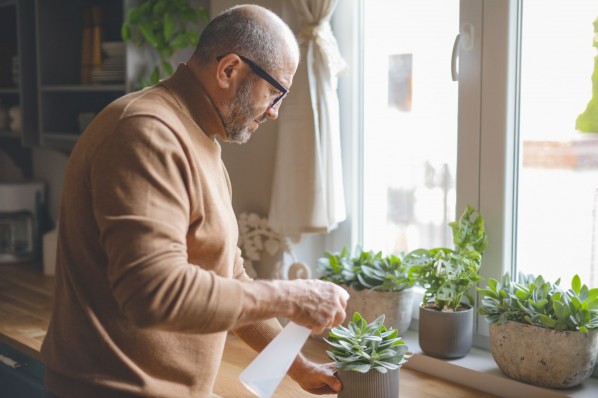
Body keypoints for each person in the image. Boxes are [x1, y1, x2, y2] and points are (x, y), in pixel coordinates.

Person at [40, 4, 349, 398]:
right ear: (229, 70)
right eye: (275, 92)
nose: (274, 113)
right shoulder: (146, 134)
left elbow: (227, 275)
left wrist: (298, 366)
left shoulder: (199, 137)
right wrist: (293, 297)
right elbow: (153, 292)